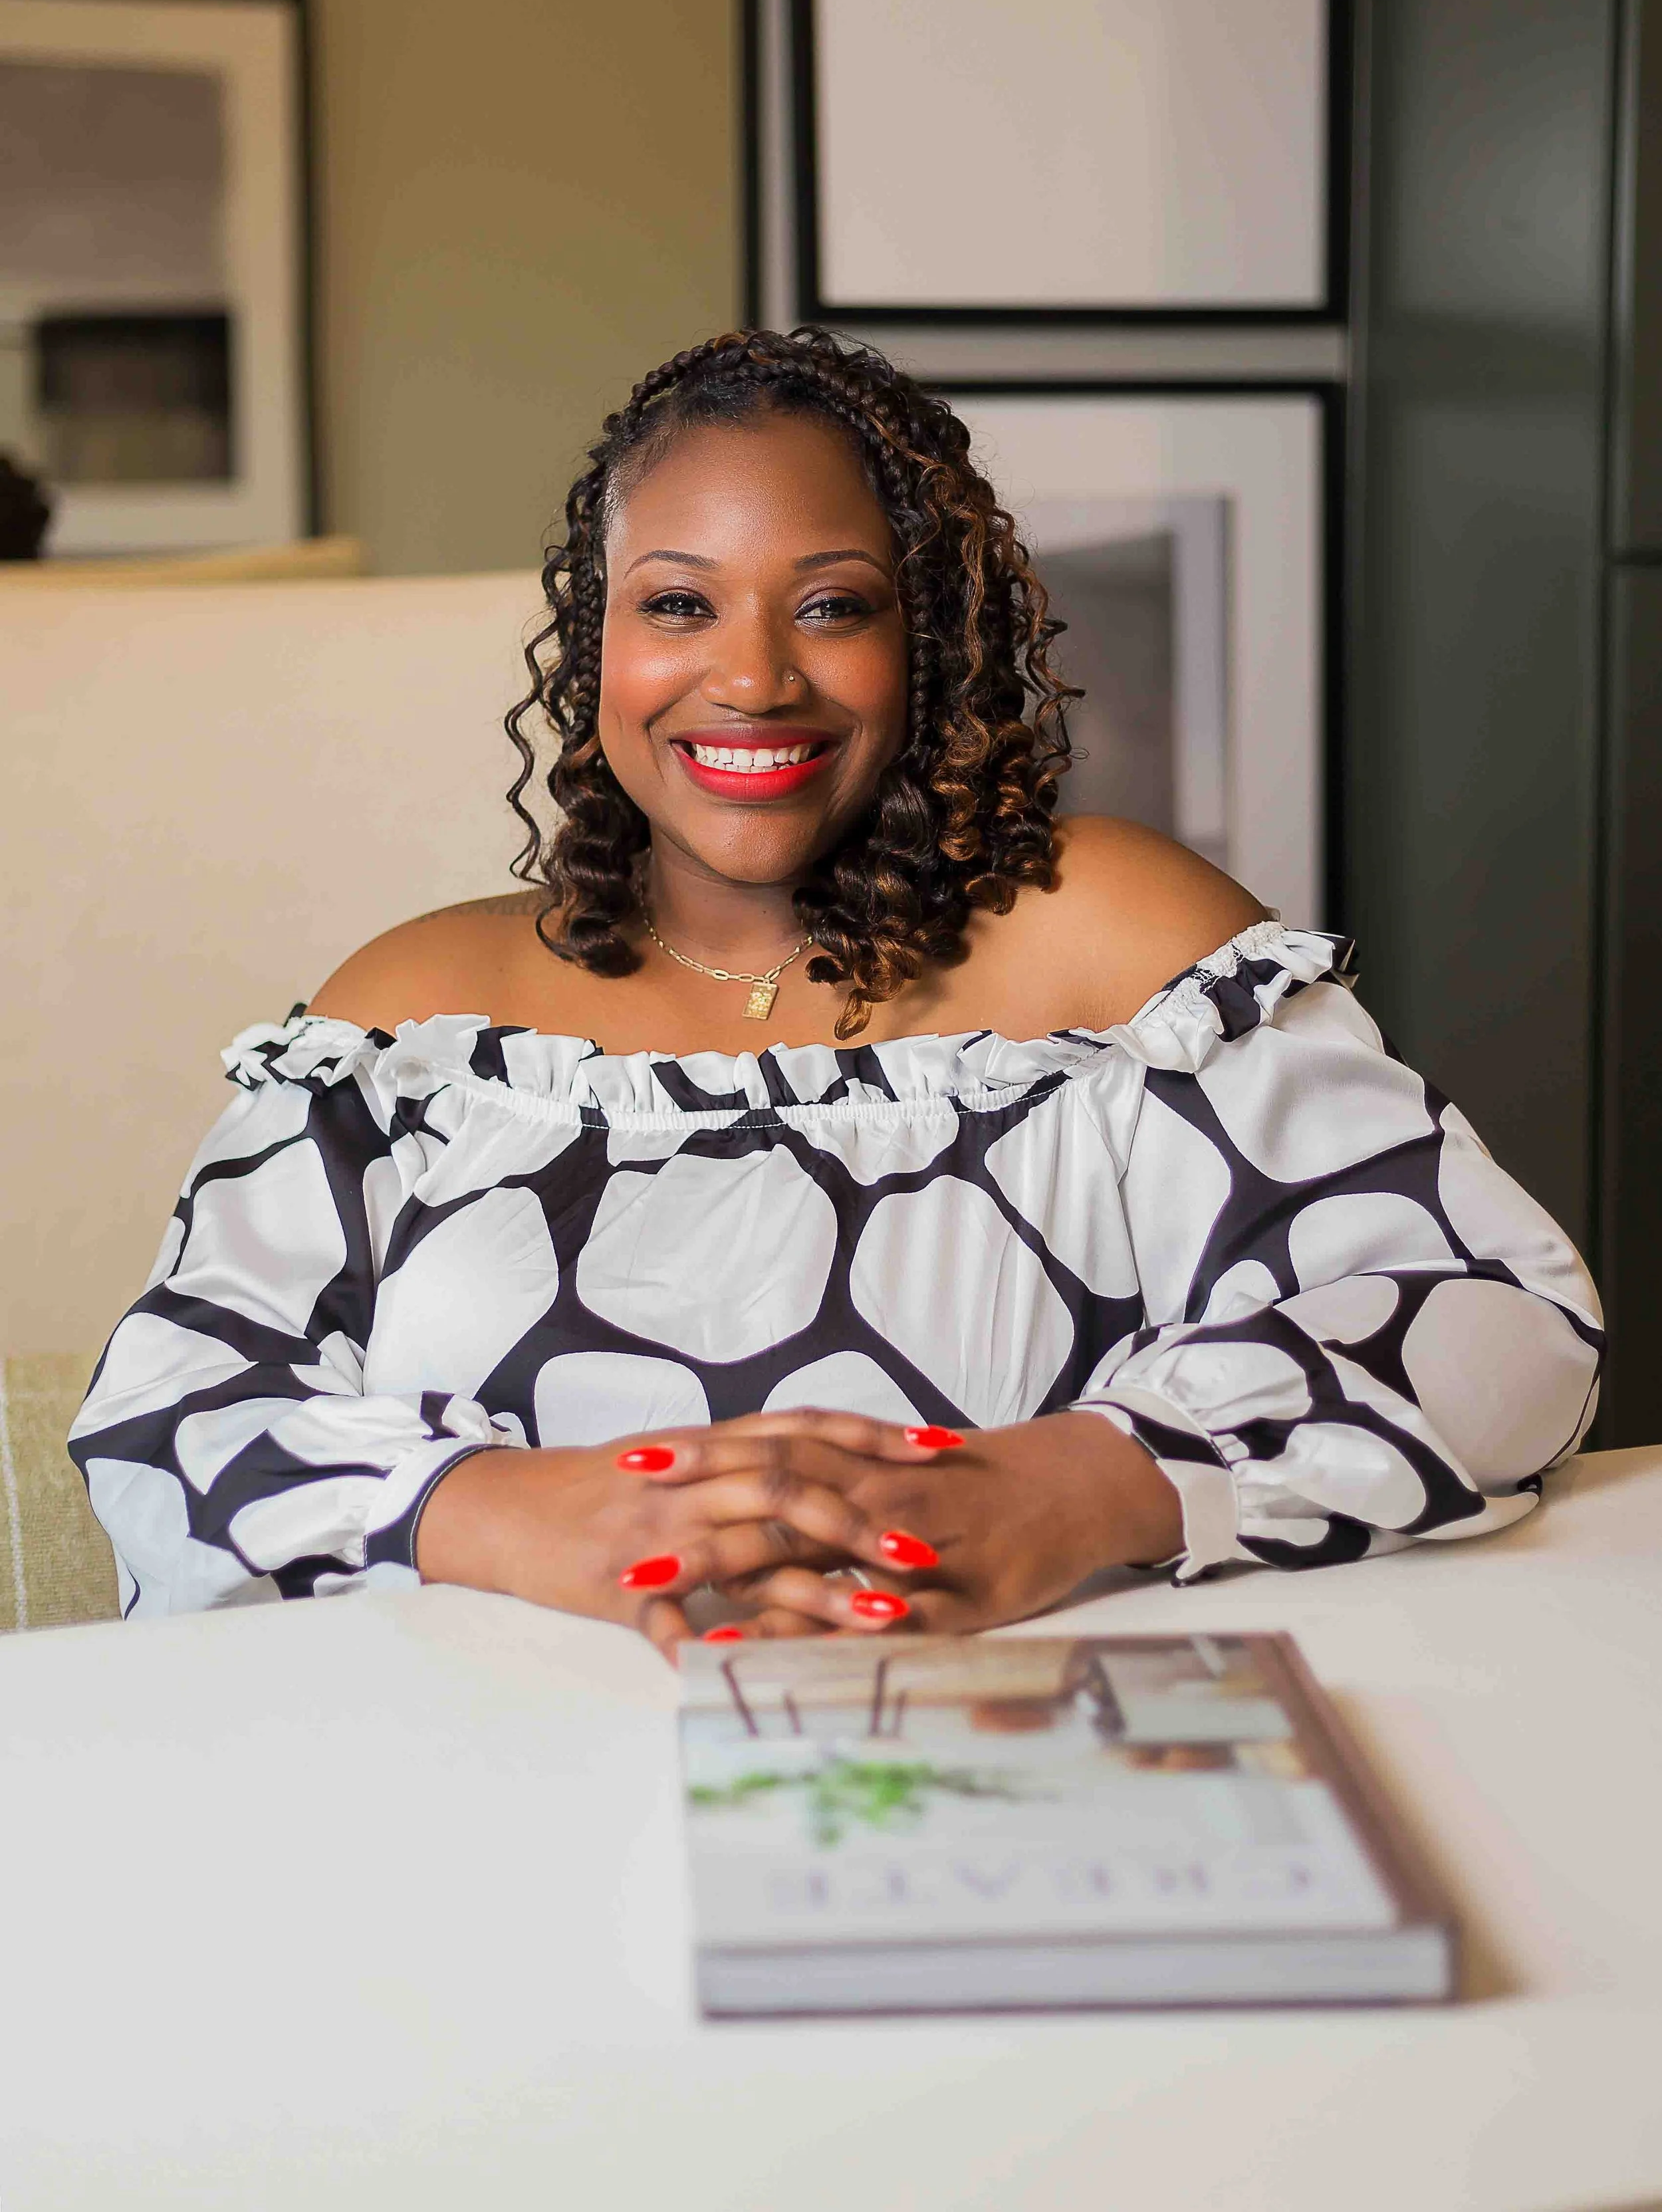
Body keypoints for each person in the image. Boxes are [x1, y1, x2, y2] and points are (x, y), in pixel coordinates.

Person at [70, 329, 1603, 1652]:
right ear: (595, 640)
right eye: (677, 604)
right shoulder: (410, 1016)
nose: (750, 680)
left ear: (924, 641)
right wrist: (512, 1517)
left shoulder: (1117, 949)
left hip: (1015, 1781)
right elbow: (170, 1411)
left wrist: (1070, 1491)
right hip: (462, 1807)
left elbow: (1489, 1323)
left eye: (830, 605)